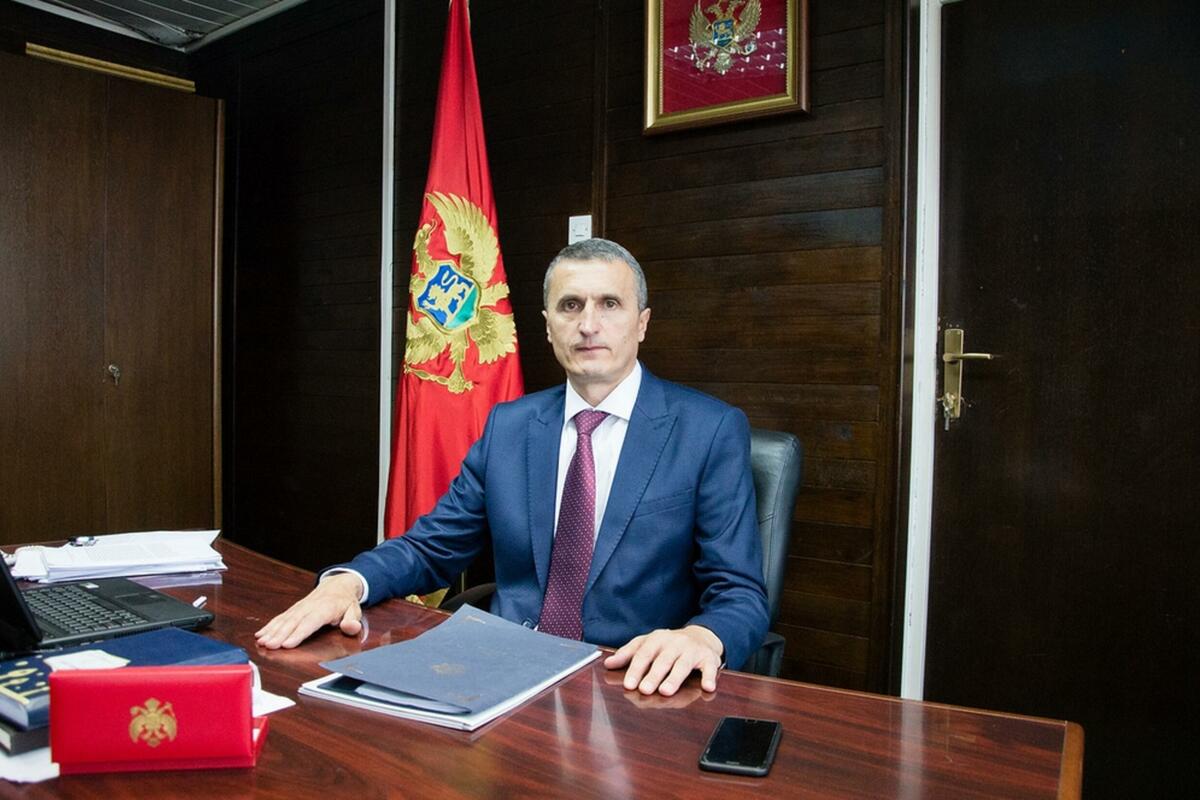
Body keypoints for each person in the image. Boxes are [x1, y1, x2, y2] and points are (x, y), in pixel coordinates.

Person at [256, 238, 769, 697]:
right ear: (547, 326)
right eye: (570, 305)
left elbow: (740, 593)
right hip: (499, 672)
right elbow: (432, 546)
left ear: (642, 322)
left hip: (628, 681)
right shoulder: (510, 426)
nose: (588, 324)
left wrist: (703, 637)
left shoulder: (709, 430)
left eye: (609, 304)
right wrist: (348, 582)